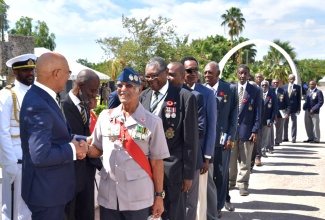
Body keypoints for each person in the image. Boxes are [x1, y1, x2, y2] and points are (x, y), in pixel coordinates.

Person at [87, 67, 170, 219]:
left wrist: (159, 196)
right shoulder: (105, 117)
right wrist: (79, 147)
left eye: (129, 86)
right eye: (120, 85)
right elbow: (96, 149)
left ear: (139, 89)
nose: (123, 89)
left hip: (138, 198)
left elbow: (157, 162)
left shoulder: (153, 122)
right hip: (109, 196)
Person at [19, 52, 88, 219]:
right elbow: (41, 155)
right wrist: (74, 149)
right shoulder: (38, 103)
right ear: (56, 73)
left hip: (50, 191)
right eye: (68, 72)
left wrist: (85, 140)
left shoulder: (43, 97)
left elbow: (59, 136)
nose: (68, 77)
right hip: (47, 194)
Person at [139, 57, 199, 220]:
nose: (150, 80)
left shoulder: (184, 97)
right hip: (146, 170)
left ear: (165, 73)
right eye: (147, 76)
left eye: (154, 75)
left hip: (172, 171)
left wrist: (188, 175)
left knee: (173, 214)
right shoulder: (143, 96)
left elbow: (190, 139)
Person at [167, 61, 207, 220]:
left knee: (189, 204)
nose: (168, 78)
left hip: (188, 159)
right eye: (167, 74)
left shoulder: (193, 97)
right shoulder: (157, 96)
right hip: (166, 162)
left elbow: (201, 128)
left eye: (172, 74)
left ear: (182, 76)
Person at [62, 69, 103, 220]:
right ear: (80, 85)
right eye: (92, 90)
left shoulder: (85, 105)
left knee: (86, 212)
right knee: (71, 213)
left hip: (87, 169)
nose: (95, 94)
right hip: (70, 171)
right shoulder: (63, 106)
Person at [0, 54, 36, 220]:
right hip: (17, 161)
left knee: (30, 208)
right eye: (25, 70)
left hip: (34, 161)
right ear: (15, 72)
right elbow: (2, 132)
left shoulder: (35, 94)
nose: (30, 73)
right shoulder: (7, 95)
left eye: (31, 69)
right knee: (13, 209)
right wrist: (9, 163)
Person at [181, 57, 217, 220]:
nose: (194, 73)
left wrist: (207, 157)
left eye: (196, 70)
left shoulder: (207, 93)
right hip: (178, 155)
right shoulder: (175, 90)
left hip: (199, 155)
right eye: (189, 70)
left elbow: (211, 127)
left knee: (198, 198)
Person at [204, 61, 238, 218]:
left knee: (221, 173)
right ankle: (208, 205)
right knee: (207, 175)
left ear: (218, 73)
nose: (206, 75)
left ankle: (218, 205)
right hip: (205, 141)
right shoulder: (201, 89)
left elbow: (233, 116)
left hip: (223, 140)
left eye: (210, 72)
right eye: (205, 72)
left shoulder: (229, 89)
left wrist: (230, 137)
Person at [229, 64, 261, 196]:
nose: (242, 76)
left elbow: (258, 112)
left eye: (245, 73)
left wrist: (255, 130)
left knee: (245, 160)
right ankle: (230, 182)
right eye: (240, 73)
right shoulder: (231, 89)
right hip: (231, 132)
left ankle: (243, 185)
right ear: (237, 74)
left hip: (247, 131)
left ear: (248, 75)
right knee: (231, 160)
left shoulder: (255, 90)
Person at [254, 80, 277, 166]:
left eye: (265, 85)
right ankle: (258, 152)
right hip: (258, 120)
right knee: (258, 137)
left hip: (267, 119)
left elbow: (274, 107)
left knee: (265, 136)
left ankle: (263, 150)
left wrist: (271, 119)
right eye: (262, 85)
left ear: (268, 86)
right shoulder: (258, 93)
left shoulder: (272, 95)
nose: (264, 86)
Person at [282, 74, 301, 143]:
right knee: (285, 123)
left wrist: (299, 108)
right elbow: (282, 98)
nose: (292, 80)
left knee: (293, 123)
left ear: (295, 79)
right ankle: (285, 137)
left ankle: (293, 138)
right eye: (290, 79)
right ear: (288, 79)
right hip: (285, 108)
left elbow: (299, 99)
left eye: (293, 79)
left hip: (294, 108)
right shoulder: (284, 87)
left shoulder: (298, 87)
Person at [272, 79, 290, 146]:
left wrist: (287, 113)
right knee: (269, 128)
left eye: (277, 83)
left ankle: (277, 141)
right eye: (274, 82)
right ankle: (270, 142)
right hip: (270, 113)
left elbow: (288, 103)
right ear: (272, 83)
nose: (276, 84)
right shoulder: (269, 91)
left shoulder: (283, 91)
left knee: (279, 128)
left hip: (280, 112)